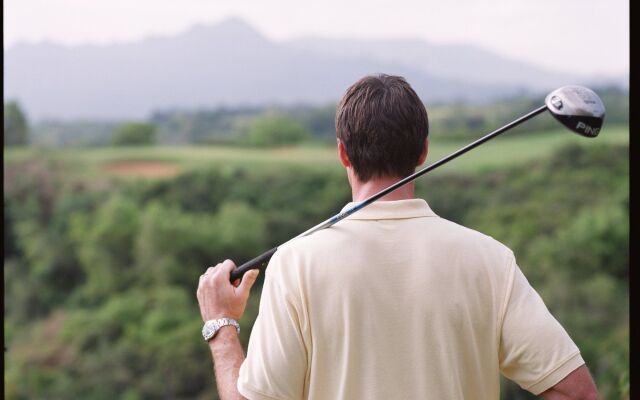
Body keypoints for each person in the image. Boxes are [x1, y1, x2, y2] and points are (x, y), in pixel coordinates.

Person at [196, 74, 599, 400]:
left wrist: (221, 325)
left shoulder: (295, 263)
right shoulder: (490, 259)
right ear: (423, 151)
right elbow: (576, 392)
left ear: (343, 154)